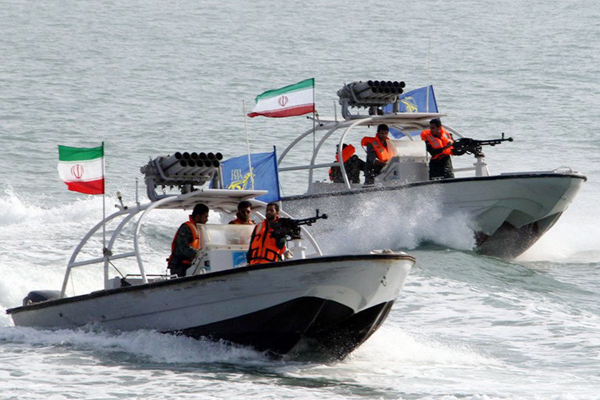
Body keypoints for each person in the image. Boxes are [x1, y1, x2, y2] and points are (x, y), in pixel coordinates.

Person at [167, 203, 209, 277]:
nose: (207, 220)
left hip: (193, 264)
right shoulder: (186, 228)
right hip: (180, 266)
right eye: (205, 217)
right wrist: (198, 255)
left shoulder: (201, 230)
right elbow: (183, 247)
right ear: (198, 216)